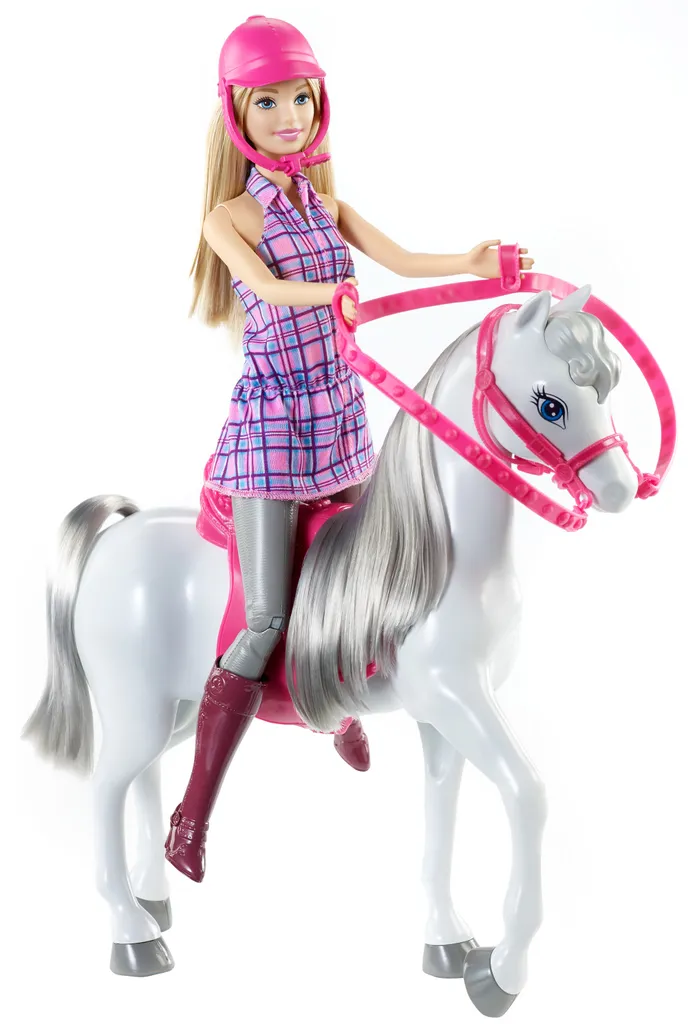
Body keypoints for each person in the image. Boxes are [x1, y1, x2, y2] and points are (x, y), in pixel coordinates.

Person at [165, 14, 535, 883]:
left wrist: (476, 264)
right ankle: (193, 811)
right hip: (270, 436)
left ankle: (336, 705)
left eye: (300, 98)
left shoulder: (325, 204)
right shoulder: (228, 219)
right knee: (267, 617)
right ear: (236, 113)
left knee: (370, 569)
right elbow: (263, 287)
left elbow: (401, 260)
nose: (288, 116)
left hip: (338, 425)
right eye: (268, 102)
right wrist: (326, 295)